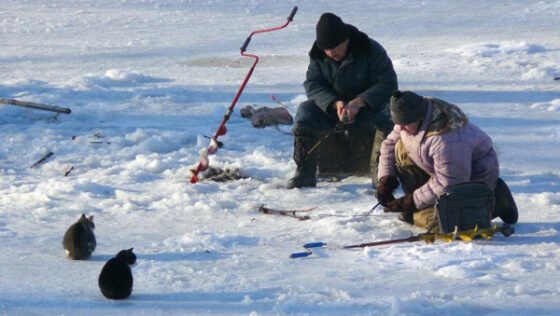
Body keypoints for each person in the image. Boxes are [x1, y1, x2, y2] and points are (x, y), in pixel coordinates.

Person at [376, 90, 518, 230]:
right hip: (440, 171)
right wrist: (386, 179)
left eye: (405, 123)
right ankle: (422, 203)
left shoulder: (448, 141)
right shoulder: (410, 116)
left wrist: (411, 201)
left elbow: (450, 182)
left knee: (430, 221)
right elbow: (389, 144)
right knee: (399, 147)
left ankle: (494, 204)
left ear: (418, 117)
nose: (401, 127)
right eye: (398, 123)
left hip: (469, 180)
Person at [287, 12, 398, 189]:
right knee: (305, 112)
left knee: (388, 116)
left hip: (368, 110)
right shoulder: (318, 55)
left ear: (346, 39)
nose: (331, 53)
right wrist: (333, 103)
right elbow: (313, 84)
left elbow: (388, 84)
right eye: (326, 49)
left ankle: (382, 173)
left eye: (335, 47)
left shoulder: (370, 49)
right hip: (333, 110)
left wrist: (360, 101)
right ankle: (304, 172)